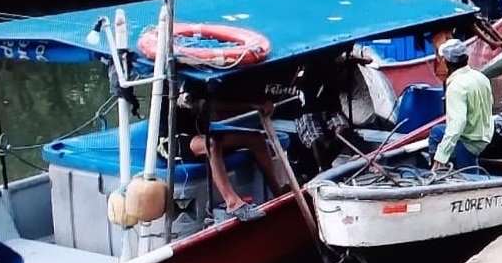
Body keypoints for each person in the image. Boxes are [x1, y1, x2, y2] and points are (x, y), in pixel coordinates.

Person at [158, 81, 288, 222]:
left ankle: (278, 192)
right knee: (211, 144)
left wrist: (254, 106)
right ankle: (233, 203)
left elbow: (216, 106)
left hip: (201, 134)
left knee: (256, 138)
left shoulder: (195, 79)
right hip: (172, 141)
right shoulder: (166, 84)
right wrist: (180, 101)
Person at [295, 49, 371, 172]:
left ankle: (326, 164)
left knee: (343, 129)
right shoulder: (313, 63)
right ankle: (324, 168)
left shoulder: (341, 65)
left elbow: (367, 61)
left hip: (331, 109)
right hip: (308, 110)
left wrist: (350, 63)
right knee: (317, 139)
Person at [429, 38, 494, 172]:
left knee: (437, 134)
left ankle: (439, 170)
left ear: (447, 63)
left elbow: (457, 123)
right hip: (486, 135)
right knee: (438, 131)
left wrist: (441, 156)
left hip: (470, 141)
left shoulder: (456, 86)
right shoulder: (481, 77)